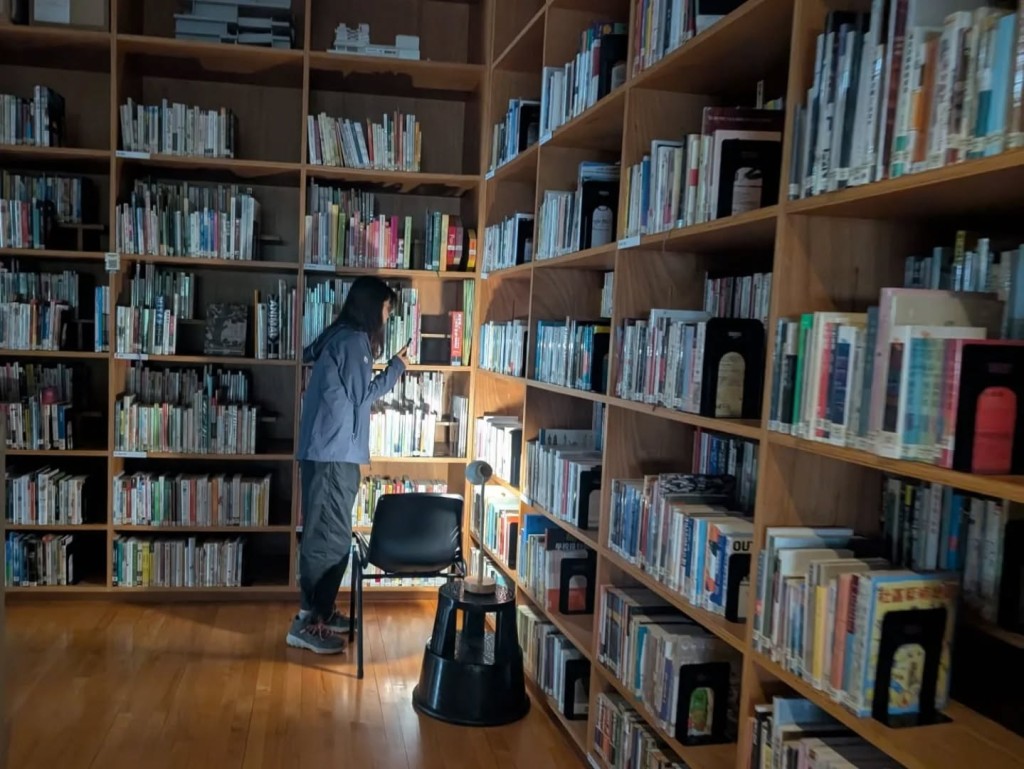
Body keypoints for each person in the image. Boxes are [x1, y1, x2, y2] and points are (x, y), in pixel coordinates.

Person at [288, 276, 408, 654]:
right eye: (387, 309)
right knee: (330, 538)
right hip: (334, 454)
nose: (388, 317)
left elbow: (311, 357)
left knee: (325, 534)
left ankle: (318, 610)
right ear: (373, 307)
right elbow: (363, 396)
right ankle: (309, 622)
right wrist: (397, 367)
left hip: (325, 451)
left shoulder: (337, 335)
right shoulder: (355, 342)